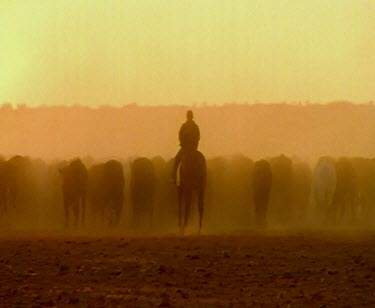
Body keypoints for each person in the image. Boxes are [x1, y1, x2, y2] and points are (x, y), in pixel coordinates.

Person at [172, 110, 200, 182]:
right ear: (192, 117)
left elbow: (180, 136)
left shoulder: (184, 126)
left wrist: (182, 143)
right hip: (193, 148)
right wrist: (195, 145)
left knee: (177, 159)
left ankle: (173, 177)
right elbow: (198, 137)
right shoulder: (195, 126)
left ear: (187, 117)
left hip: (185, 148)